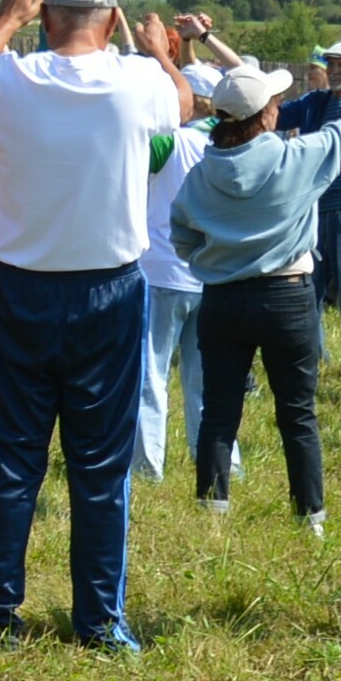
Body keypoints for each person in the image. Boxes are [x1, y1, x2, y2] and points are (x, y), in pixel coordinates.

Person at [0, 0, 182, 648]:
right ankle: (101, 620)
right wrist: (160, 51)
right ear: (111, 20)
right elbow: (184, 106)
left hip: (20, 286)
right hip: (110, 290)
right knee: (101, 467)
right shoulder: (139, 81)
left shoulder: (13, 76)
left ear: (46, 19)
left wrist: (4, 21)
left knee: (12, 459)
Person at [171, 53, 341, 533]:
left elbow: (182, 236)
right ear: (266, 114)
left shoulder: (202, 172)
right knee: (297, 414)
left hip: (222, 300)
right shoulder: (295, 157)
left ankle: (212, 515)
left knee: (219, 410)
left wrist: (216, 258)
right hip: (288, 296)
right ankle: (311, 519)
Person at [278, 42, 341, 365]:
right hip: (314, 210)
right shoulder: (314, 105)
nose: (335, 71)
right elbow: (270, 112)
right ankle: (315, 357)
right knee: (310, 290)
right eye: (331, 64)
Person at [132, 70, 205, 481]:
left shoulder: (168, 141)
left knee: (151, 373)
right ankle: (216, 461)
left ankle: (147, 465)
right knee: (207, 377)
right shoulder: (229, 143)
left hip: (163, 270)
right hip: (212, 274)